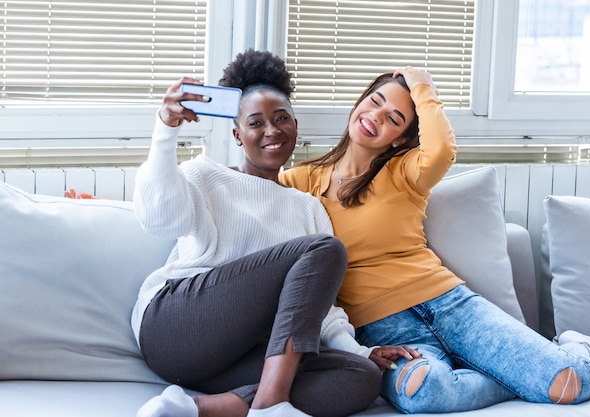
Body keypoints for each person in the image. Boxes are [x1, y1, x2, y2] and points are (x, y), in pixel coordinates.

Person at [280, 66, 590, 414]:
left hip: (452, 306)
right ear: (359, 103)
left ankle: (579, 347)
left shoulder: (405, 171)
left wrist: (421, 83)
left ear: (399, 138)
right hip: (382, 332)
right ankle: (519, 372)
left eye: (394, 118)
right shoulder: (302, 180)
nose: (375, 117)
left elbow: (441, 150)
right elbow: (250, 192)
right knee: (423, 393)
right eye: (374, 102)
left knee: (572, 382)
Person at [127, 49, 421, 417]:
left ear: (295, 127)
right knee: (325, 250)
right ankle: (270, 405)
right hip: (176, 327)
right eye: (255, 122)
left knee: (359, 376)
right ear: (237, 134)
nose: (271, 130)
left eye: (282, 118)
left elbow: (316, 308)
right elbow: (159, 219)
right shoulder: (205, 175)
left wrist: (361, 352)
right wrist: (165, 129)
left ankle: (192, 409)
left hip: (236, 355)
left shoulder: (307, 206)